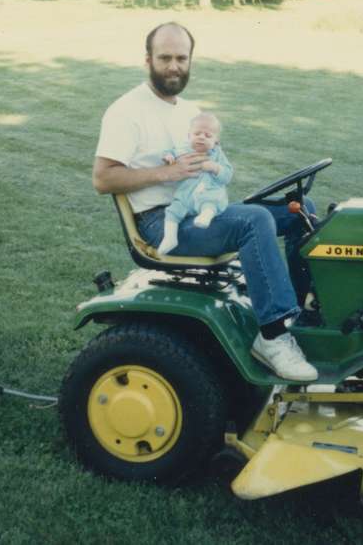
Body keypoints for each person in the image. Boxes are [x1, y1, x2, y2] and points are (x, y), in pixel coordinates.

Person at [92, 22, 318, 382]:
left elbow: (215, 166)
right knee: (254, 221)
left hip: (200, 209)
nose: (173, 66)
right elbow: (103, 178)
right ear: (147, 60)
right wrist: (166, 173)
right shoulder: (127, 111)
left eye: (181, 58)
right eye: (164, 58)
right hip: (162, 222)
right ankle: (273, 337)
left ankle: (306, 315)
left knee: (301, 211)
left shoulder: (190, 112)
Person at [157, 112, 233, 255]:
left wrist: (215, 168)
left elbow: (227, 175)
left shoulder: (217, 155)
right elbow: (171, 152)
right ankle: (170, 238)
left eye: (208, 135)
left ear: (216, 141)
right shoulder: (183, 150)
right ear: (189, 136)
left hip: (208, 193)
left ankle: (205, 216)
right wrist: (168, 157)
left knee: (210, 203)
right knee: (173, 211)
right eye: (197, 133)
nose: (201, 137)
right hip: (186, 195)